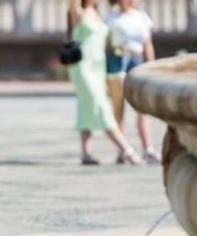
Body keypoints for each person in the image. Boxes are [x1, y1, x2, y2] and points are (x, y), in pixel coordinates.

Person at [67, 0, 141, 166]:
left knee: (86, 108)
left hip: (98, 68)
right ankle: (127, 150)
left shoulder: (100, 14)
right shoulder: (80, 12)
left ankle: (86, 153)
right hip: (83, 67)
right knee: (102, 107)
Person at [106, 0, 160, 164]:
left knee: (142, 108)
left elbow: (147, 44)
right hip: (118, 60)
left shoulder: (141, 17)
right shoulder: (112, 17)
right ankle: (122, 150)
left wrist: (152, 66)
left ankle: (147, 148)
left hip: (137, 60)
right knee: (119, 106)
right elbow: (106, 44)